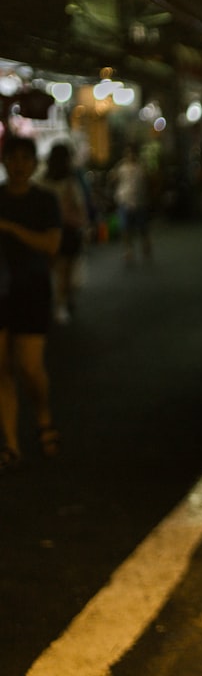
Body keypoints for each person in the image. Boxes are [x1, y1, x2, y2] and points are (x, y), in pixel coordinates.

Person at [0, 135, 62, 470]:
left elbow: (51, 245)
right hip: (1, 291)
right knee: (1, 368)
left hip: (32, 289)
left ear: (34, 164)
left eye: (26, 158)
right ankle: (11, 443)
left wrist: (9, 228)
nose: (19, 164)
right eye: (13, 158)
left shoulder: (45, 200)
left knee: (29, 367)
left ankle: (42, 414)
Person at [35, 141, 89, 323]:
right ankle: (62, 302)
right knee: (64, 269)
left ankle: (58, 302)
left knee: (56, 269)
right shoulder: (70, 181)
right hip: (67, 232)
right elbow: (81, 208)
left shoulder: (42, 181)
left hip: (48, 231)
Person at [109, 145, 152, 265]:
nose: (130, 155)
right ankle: (128, 250)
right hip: (124, 200)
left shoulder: (141, 167)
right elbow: (112, 178)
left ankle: (145, 245)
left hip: (139, 201)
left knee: (142, 227)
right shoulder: (121, 167)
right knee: (125, 228)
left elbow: (147, 182)